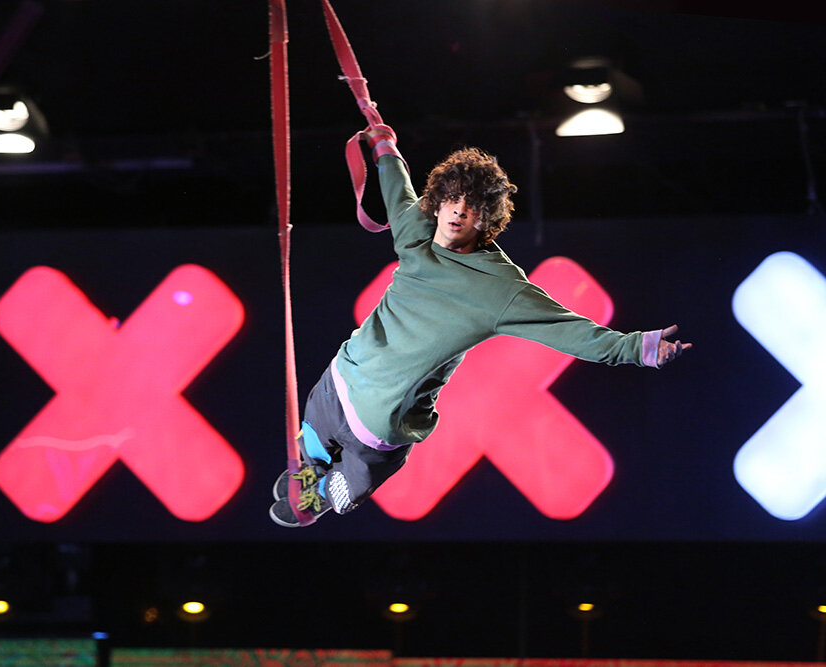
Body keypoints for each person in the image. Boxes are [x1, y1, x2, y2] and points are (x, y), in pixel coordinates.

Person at [269, 125, 691, 527]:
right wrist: (383, 144)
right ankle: (313, 470)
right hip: (341, 382)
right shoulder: (417, 231)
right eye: (452, 199)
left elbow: (571, 331)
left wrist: (639, 348)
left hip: (378, 420)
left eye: (472, 207)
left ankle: (320, 491)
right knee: (314, 443)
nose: (459, 211)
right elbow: (398, 189)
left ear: (487, 220)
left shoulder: (499, 288)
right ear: (438, 202)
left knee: (348, 489)